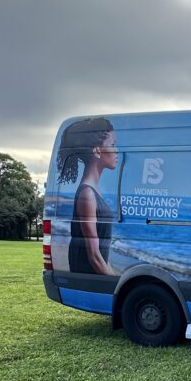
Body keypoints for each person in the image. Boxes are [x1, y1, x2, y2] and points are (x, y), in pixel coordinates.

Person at [56, 117, 118, 274]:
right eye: (113, 145)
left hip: (96, 275)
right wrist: (114, 282)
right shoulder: (87, 195)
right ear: (97, 151)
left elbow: (101, 255)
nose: (117, 150)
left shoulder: (94, 191)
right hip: (89, 276)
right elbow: (94, 257)